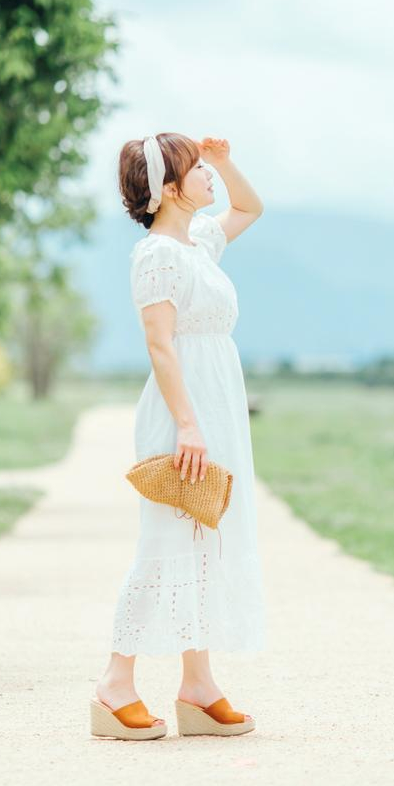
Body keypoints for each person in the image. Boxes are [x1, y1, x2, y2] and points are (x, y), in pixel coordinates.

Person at [89, 132, 267, 740]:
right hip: (182, 412)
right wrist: (188, 425)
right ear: (169, 189)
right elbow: (160, 344)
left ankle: (198, 686)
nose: (209, 181)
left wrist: (221, 159)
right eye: (197, 172)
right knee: (166, 541)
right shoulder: (157, 256)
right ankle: (114, 687)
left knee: (205, 543)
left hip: (214, 406)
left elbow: (250, 208)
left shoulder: (197, 245)